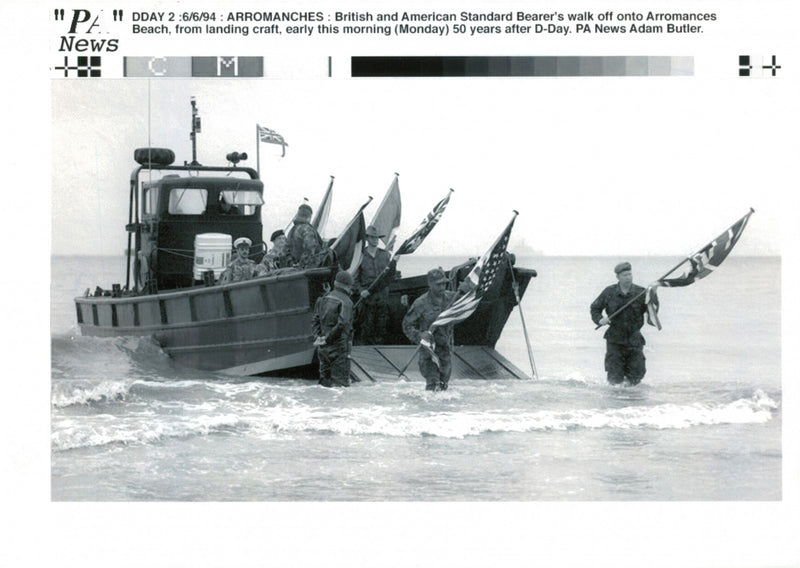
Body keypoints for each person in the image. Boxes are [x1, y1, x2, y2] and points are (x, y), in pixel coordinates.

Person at [590, 261, 658, 386]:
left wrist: (653, 295)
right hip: (615, 339)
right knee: (615, 379)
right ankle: (616, 403)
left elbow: (652, 311)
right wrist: (600, 319)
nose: (628, 278)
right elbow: (595, 308)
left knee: (636, 376)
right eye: (625, 275)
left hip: (634, 339)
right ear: (618, 277)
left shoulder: (641, 293)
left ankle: (634, 404)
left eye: (630, 274)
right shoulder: (609, 292)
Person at [402, 267, 456, 391]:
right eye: (438, 284)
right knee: (432, 385)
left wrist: (466, 290)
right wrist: (419, 335)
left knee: (443, 386)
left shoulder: (451, 298)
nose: (442, 287)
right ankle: (428, 409)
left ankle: (440, 410)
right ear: (430, 284)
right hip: (428, 351)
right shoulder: (420, 303)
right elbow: (407, 325)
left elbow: (467, 301)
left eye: (444, 283)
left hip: (445, 350)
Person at [312, 271, 355, 387]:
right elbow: (343, 324)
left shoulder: (322, 299)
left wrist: (319, 338)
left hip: (322, 348)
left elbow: (315, 319)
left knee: (324, 384)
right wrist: (328, 338)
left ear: (335, 283)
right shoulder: (346, 302)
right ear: (348, 286)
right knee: (340, 386)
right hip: (339, 347)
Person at [355, 225, 395, 344]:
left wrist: (395, 264)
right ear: (367, 239)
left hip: (382, 297)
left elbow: (391, 276)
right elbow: (355, 278)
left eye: (377, 238)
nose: (376, 240)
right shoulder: (360, 256)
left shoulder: (385, 255)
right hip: (367, 298)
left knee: (381, 328)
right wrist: (361, 290)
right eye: (373, 238)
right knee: (367, 329)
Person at [287, 203, 325, 268]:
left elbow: (287, 251)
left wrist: (292, 264)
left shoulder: (291, 231)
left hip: (293, 268)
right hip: (307, 270)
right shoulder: (307, 229)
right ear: (309, 217)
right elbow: (310, 249)